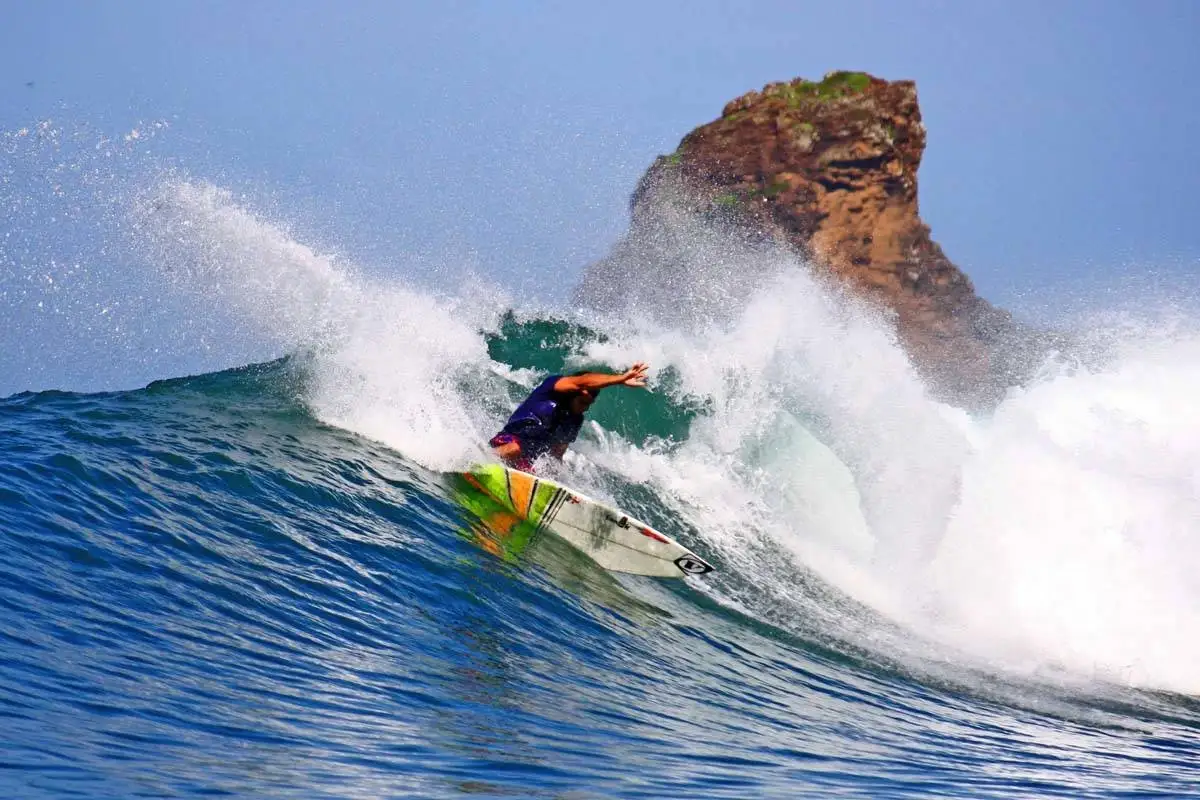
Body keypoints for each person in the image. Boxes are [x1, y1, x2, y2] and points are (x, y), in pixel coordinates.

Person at [489, 362, 649, 471]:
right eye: (582, 402)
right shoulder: (549, 390)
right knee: (516, 448)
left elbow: (557, 455)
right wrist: (620, 379)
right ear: (573, 392)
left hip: (526, 462)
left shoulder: (574, 421)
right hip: (506, 444)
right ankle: (481, 463)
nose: (585, 408)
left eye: (589, 404)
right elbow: (583, 381)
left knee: (543, 469)